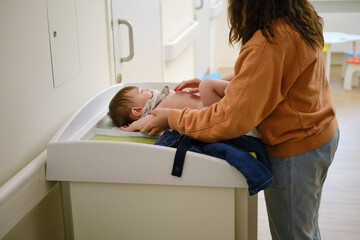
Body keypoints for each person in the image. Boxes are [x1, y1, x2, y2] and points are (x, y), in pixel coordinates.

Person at [140, 0, 339, 239]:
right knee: (305, 227)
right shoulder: (295, 18)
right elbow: (262, 73)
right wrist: (211, 83)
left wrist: (172, 117)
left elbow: (229, 119)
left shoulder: (271, 40)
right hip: (321, 134)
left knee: (294, 234)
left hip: (296, 150)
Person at [108, 78, 230, 132]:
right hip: (208, 112)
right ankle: (240, 91)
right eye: (141, 91)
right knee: (206, 85)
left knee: (208, 85)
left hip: (212, 105)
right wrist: (133, 126)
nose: (146, 89)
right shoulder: (155, 112)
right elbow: (147, 122)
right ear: (137, 110)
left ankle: (240, 91)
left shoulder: (160, 100)